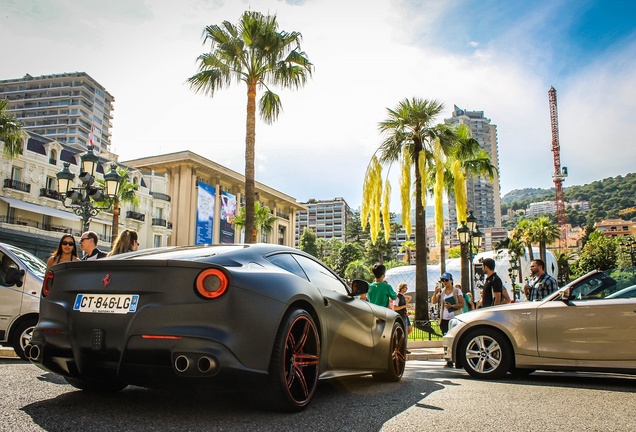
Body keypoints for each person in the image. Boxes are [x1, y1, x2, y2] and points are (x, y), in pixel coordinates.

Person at [432, 272, 464, 368]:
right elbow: (434, 301)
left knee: (457, 339)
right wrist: (435, 292)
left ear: (451, 280)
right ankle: (449, 361)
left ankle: (459, 361)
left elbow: (462, 304)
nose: (444, 282)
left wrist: (452, 306)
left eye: (446, 280)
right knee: (446, 341)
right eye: (443, 280)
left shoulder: (457, 291)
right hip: (444, 320)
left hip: (454, 319)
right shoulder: (441, 291)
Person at [394, 282, 413, 353]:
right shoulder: (397, 297)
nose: (407, 289)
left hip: (404, 315)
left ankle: (403, 347)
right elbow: (395, 308)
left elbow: (409, 298)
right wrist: (405, 306)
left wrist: (403, 295)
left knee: (407, 330)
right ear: (402, 288)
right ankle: (401, 348)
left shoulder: (401, 297)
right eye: (405, 287)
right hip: (401, 316)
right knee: (403, 332)